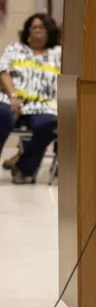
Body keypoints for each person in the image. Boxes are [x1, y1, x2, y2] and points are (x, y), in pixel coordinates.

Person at [0, 14, 62, 185]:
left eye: (41, 27)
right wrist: (13, 96)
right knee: (2, 114)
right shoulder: (15, 48)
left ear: (49, 31)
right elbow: (3, 71)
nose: (36, 31)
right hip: (11, 98)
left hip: (41, 104)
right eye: (33, 27)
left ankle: (24, 168)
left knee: (50, 124)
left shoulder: (58, 53)